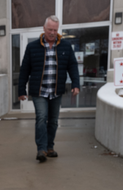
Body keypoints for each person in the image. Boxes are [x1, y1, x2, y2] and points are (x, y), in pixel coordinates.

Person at [18, 15, 80, 163]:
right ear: (44, 28)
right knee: (41, 117)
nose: (52, 32)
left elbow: (72, 66)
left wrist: (76, 84)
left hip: (56, 90)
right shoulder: (32, 46)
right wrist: (21, 90)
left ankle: (49, 147)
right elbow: (25, 69)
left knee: (53, 121)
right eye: (50, 29)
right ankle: (41, 149)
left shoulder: (65, 46)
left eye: (55, 30)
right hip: (39, 91)